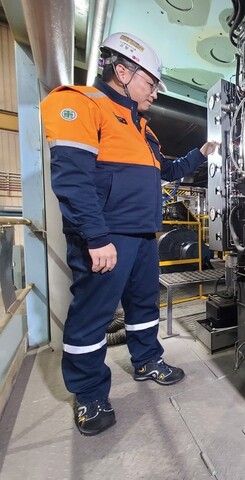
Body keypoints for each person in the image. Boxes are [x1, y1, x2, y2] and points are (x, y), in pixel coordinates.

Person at [40, 32, 219, 436]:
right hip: (107, 236)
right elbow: (72, 178)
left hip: (143, 236)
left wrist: (200, 154)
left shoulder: (142, 128)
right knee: (92, 316)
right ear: (122, 71)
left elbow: (166, 172)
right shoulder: (84, 104)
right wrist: (96, 237)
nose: (154, 93)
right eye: (151, 83)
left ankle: (147, 360)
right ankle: (88, 394)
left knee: (143, 307)